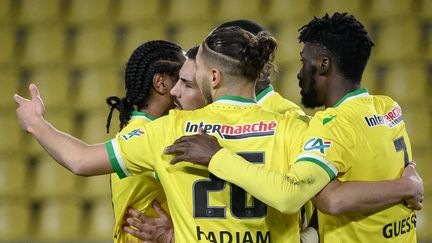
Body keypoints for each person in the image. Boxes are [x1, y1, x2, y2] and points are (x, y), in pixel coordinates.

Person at [15, 26, 311, 242]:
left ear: (214, 76)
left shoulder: (172, 130)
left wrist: (35, 123)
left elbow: (80, 161)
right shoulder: (292, 125)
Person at [164, 13, 423, 242]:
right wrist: (406, 186)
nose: (299, 74)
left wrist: (217, 156)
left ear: (323, 64)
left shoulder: (328, 126)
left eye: (304, 62)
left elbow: (326, 199)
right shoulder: (389, 109)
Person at [102, 40, 187, 243]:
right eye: (184, 80)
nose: (189, 87)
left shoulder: (135, 131)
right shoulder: (154, 136)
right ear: (161, 83)